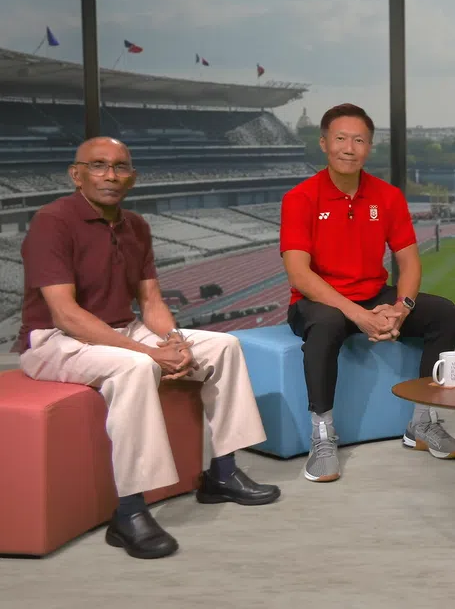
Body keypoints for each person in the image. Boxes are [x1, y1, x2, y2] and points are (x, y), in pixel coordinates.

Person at [17, 138, 279, 560]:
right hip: (53, 339)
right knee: (135, 368)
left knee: (224, 346)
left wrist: (173, 343)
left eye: (120, 167)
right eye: (99, 166)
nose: (111, 175)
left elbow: (152, 300)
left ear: (133, 177)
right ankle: (130, 510)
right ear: (76, 173)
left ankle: (223, 473)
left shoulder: (136, 225)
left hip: (124, 328)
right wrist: (150, 354)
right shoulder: (53, 221)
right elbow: (65, 314)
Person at [281, 103, 455, 483]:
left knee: (444, 312)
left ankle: (422, 421)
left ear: (369, 147)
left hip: (374, 295)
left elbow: (410, 264)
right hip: (317, 303)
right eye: (341, 139)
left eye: (359, 140)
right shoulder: (300, 198)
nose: (350, 148)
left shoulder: (388, 196)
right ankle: (323, 434)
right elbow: (299, 274)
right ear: (324, 143)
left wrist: (401, 307)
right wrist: (359, 314)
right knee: (328, 321)